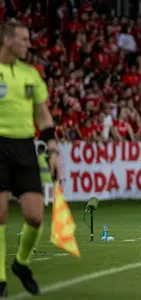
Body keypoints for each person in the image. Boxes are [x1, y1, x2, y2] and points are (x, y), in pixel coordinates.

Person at [0, 20, 61, 297]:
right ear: (8, 40)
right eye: (23, 39)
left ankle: (21, 264)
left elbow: (43, 115)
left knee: (35, 217)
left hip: (25, 146)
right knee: (0, 213)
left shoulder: (31, 74)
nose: (28, 44)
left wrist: (53, 149)